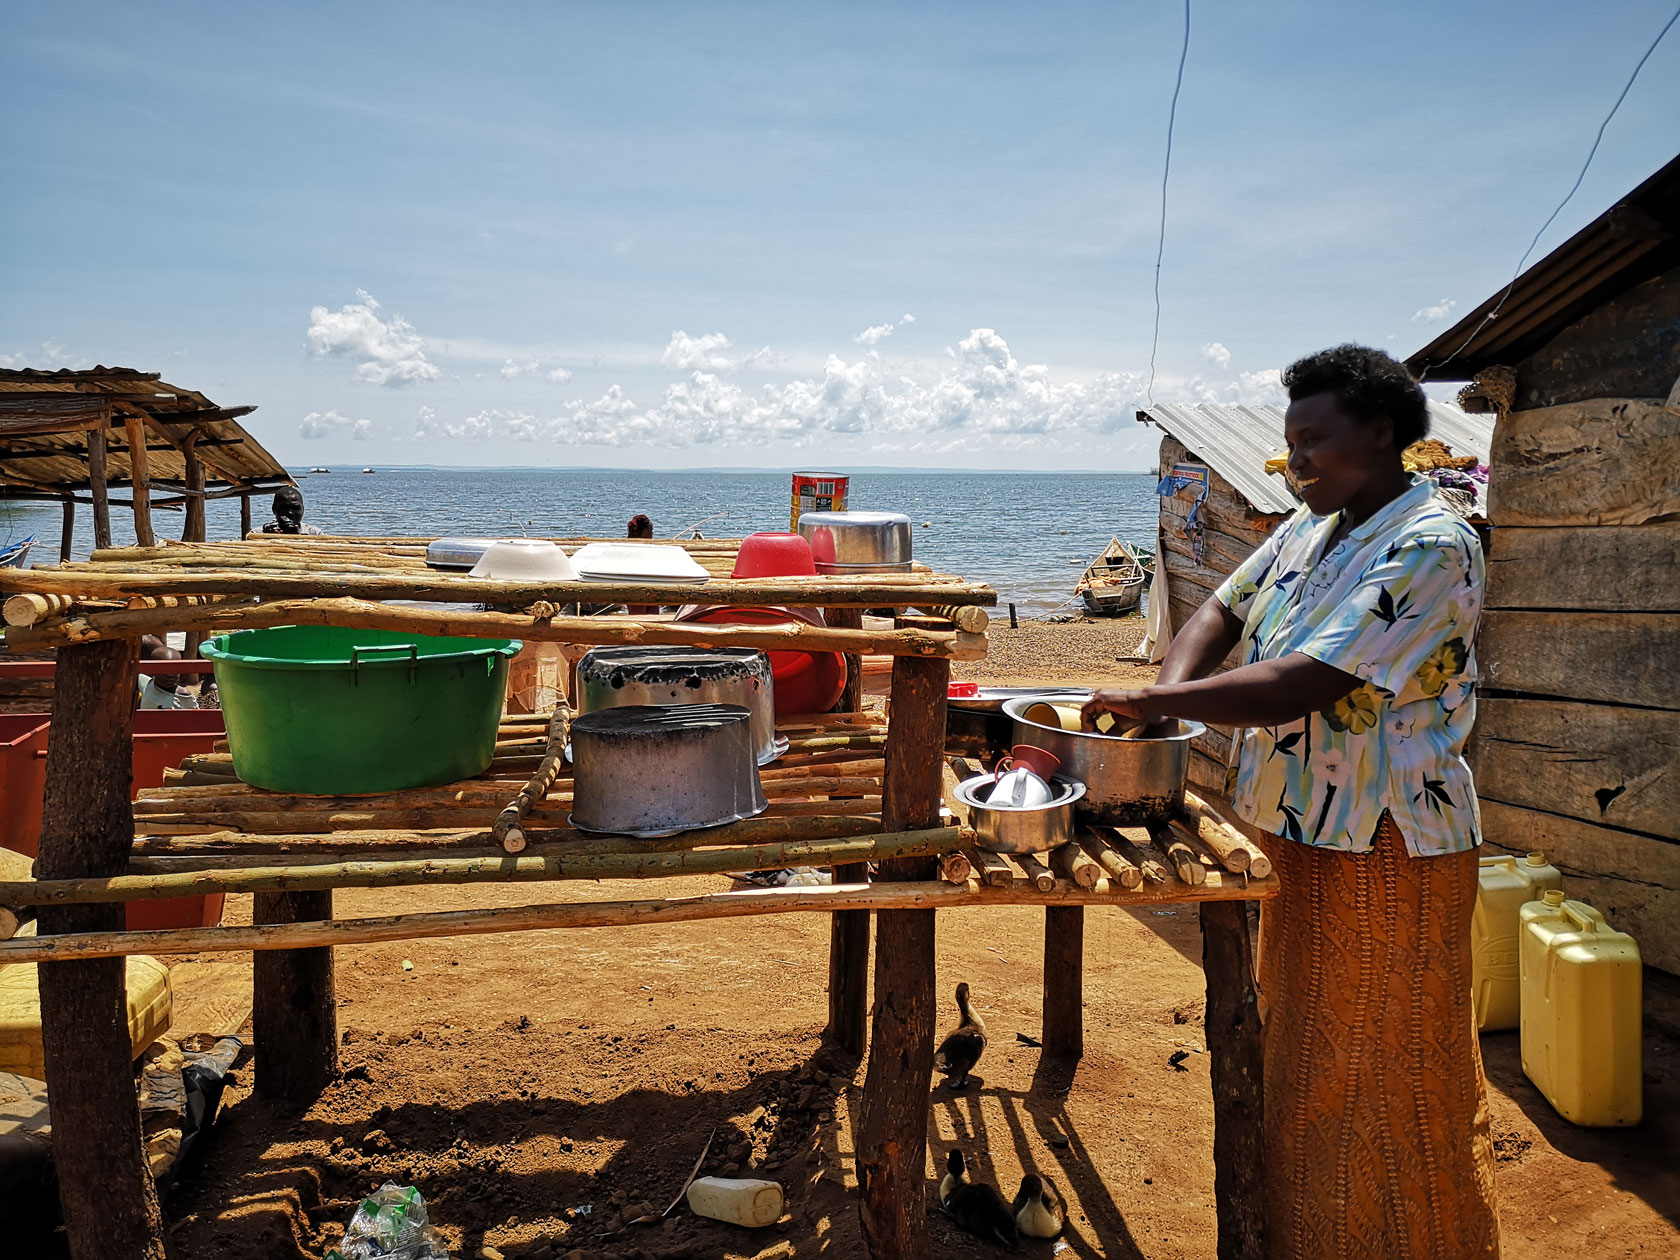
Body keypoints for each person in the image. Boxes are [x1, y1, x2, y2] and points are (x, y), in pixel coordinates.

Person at [1083, 345, 1497, 1259]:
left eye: (1313, 441)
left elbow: (1305, 681)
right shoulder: (1314, 526)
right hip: (1300, 828)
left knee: (1383, 1067)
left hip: (1385, 843)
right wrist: (1167, 694)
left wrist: (1152, 703)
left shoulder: (1431, 543)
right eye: (1290, 442)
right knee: (1308, 1056)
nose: (1295, 461)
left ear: (1381, 433)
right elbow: (1220, 611)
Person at [138, 636, 198, 710]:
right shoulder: (147, 684)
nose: (170, 675)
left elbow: (196, 716)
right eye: (164, 671)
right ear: (153, 670)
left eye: (175, 671)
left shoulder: (182, 696)